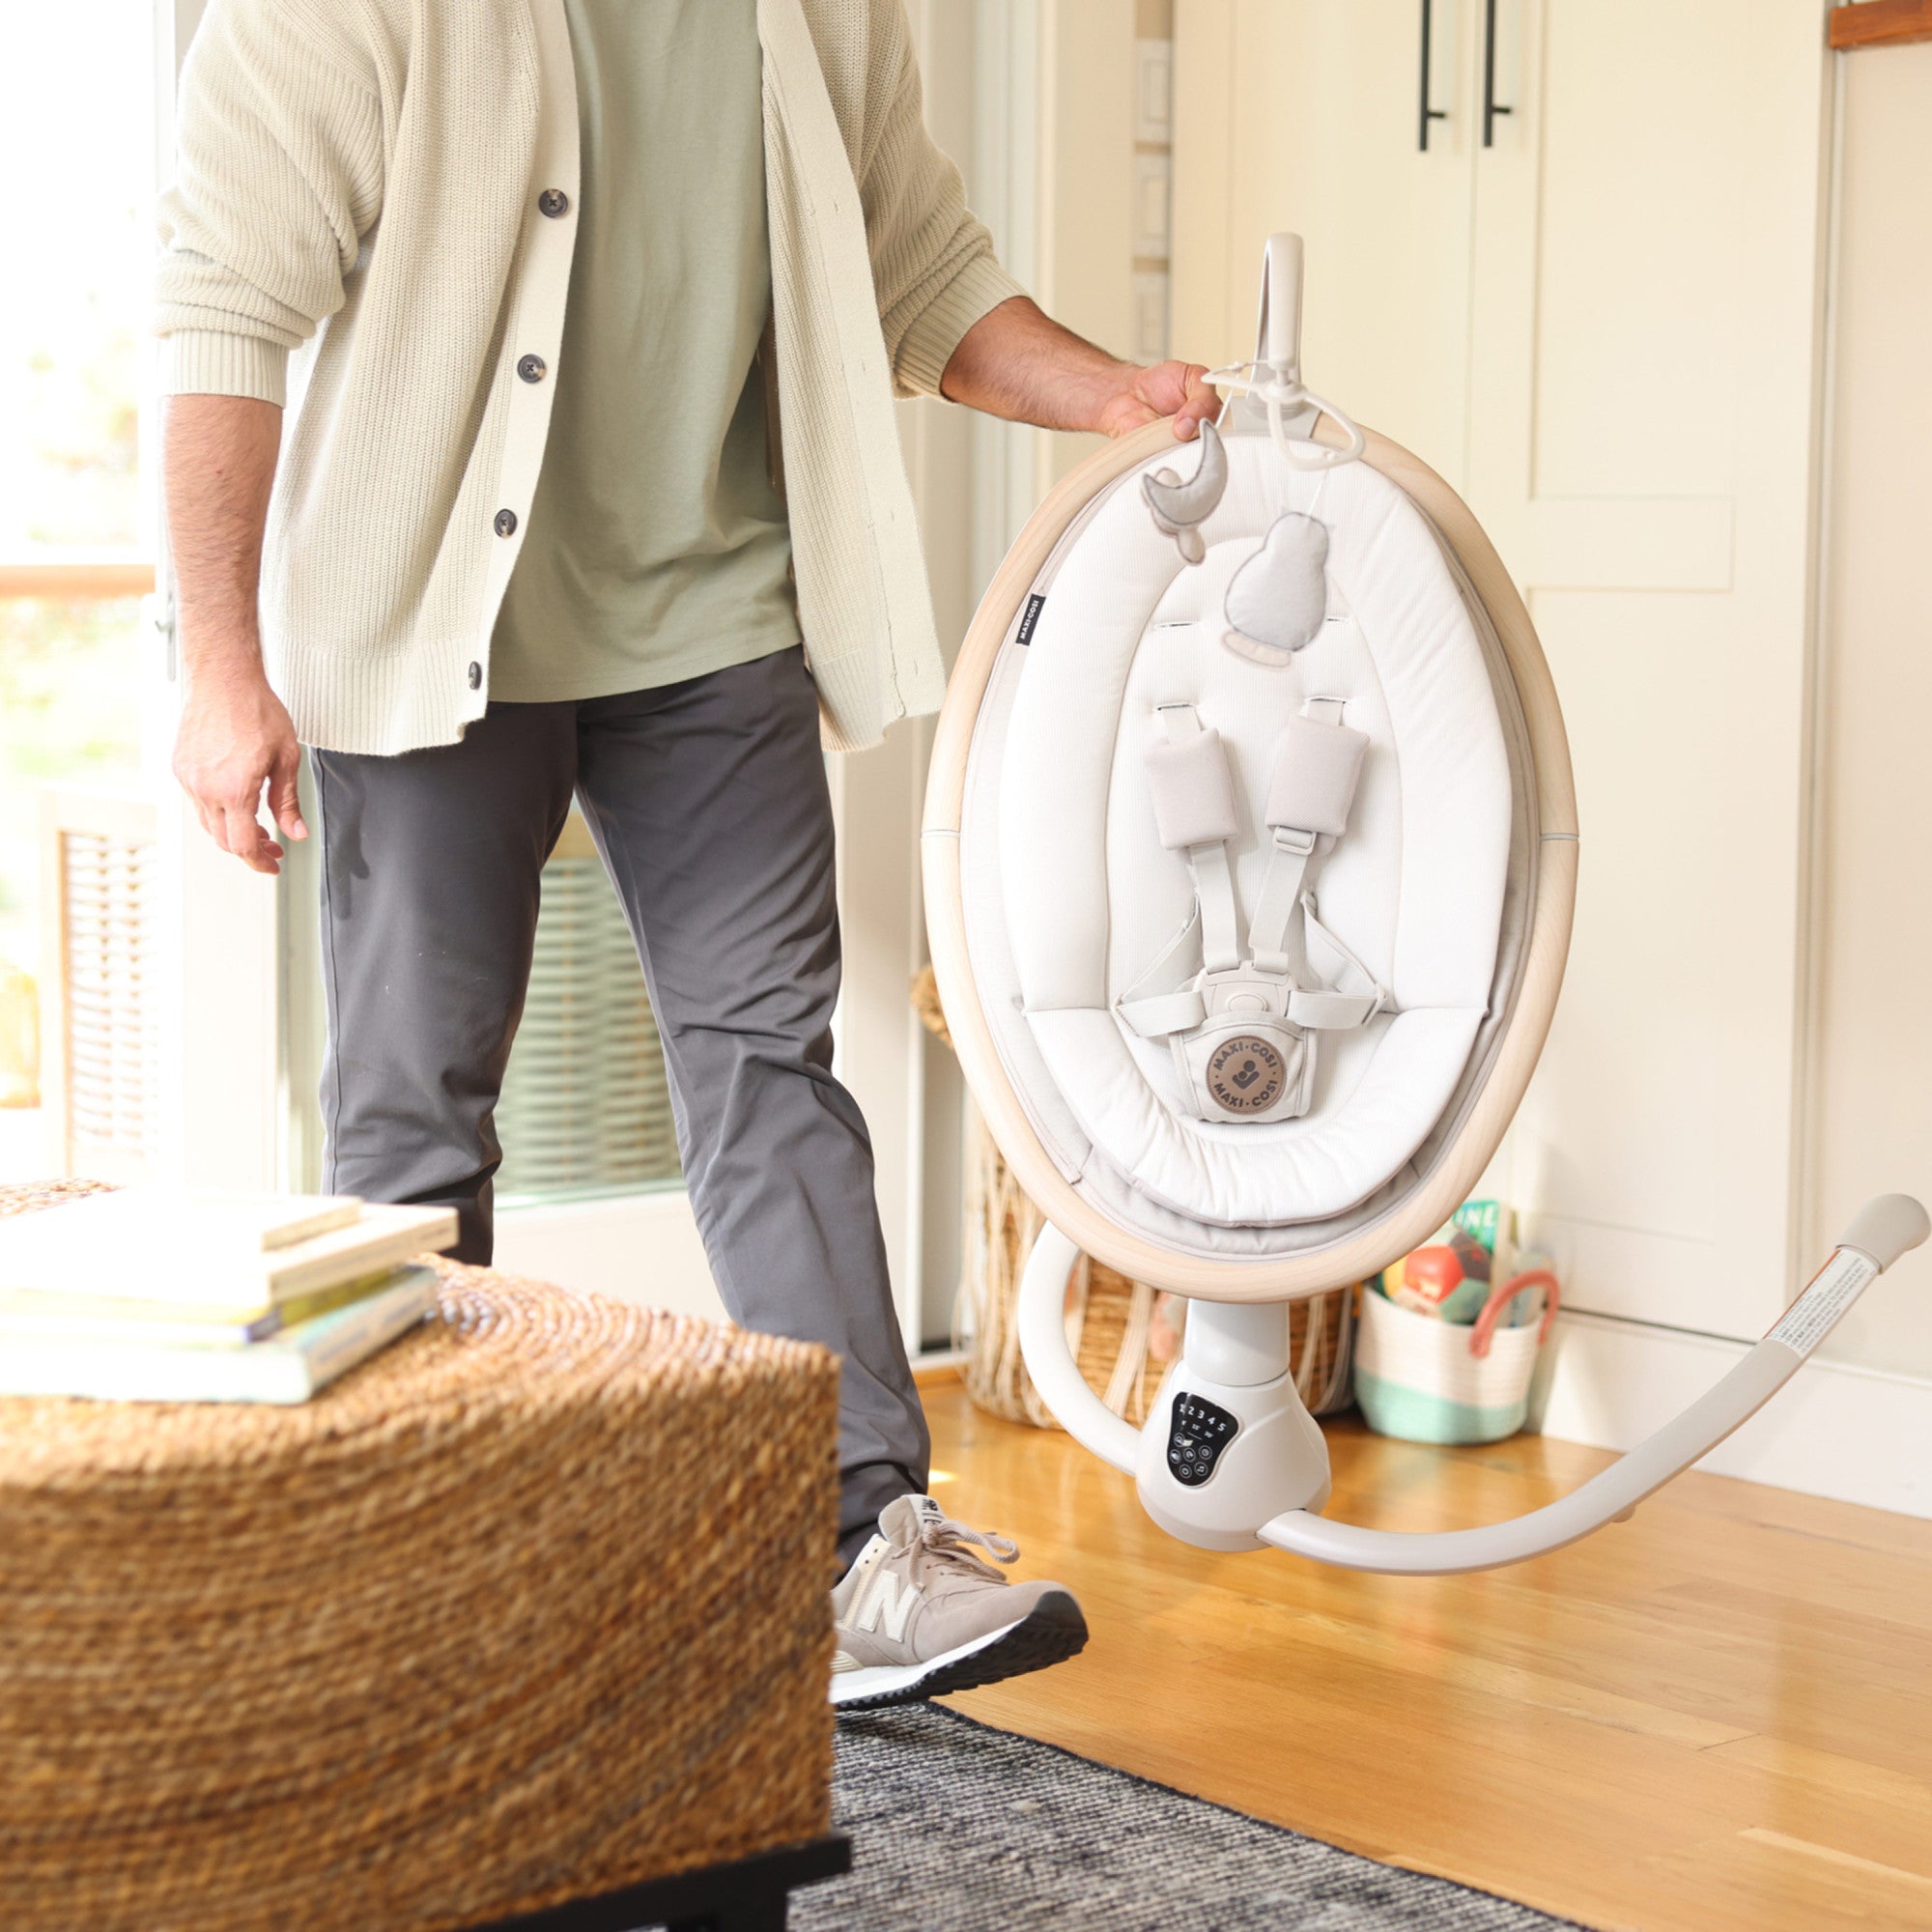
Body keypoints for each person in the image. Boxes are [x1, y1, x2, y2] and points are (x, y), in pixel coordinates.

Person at [156, 0, 1214, 1710]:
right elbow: (223, 313)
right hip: (437, 629)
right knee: (413, 1115)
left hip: (717, 626)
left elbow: (917, 267)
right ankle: (401, 1574)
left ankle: (862, 1543)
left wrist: (1110, 393)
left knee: (768, 1075)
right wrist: (220, 670)